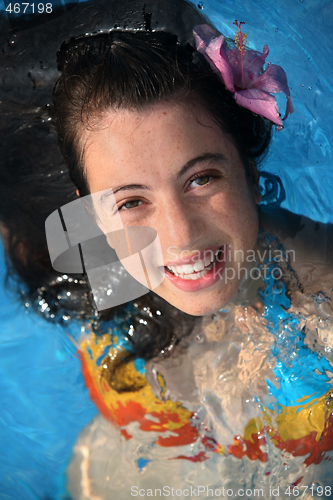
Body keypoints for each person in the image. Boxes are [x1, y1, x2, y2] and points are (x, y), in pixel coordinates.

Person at [1, 0, 333, 498]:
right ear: (90, 215)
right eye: (132, 201)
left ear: (248, 168)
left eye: (201, 178)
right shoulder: (57, 257)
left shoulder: (323, 291)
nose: (179, 235)